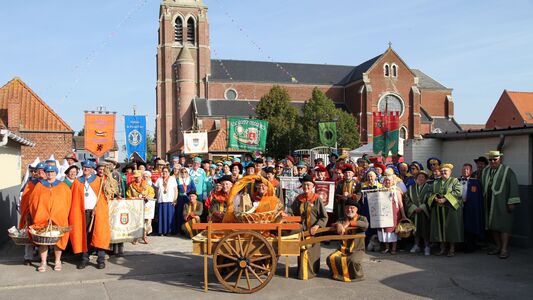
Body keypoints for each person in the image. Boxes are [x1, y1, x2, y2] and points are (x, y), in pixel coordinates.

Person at [29, 164, 72, 272]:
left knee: (58, 239)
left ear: (56, 173)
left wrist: (62, 213)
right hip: (42, 217)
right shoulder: (39, 186)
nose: (50, 174)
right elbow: (33, 202)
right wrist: (38, 213)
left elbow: (68, 202)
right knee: (43, 240)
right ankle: (43, 262)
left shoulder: (63, 186)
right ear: (45, 173)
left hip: (59, 217)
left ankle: (57, 261)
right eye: (48, 172)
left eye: (52, 172)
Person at [69, 160, 110, 269]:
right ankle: (84, 259)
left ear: (92, 169)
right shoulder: (78, 182)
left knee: (99, 234)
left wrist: (107, 178)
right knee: (84, 236)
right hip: (82, 212)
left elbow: (106, 195)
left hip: (97, 211)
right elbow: (72, 198)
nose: (85, 169)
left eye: (88, 167)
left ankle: (101, 259)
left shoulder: (99, 181)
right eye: (84, 167)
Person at [286, 174, 328, 280]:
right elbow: (292, 212)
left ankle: (314, 271)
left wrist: (317, 226)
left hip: (314, 232)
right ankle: (303, 273)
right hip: (302, 232)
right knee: (302, 253)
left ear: (312, 186)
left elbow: (324, 217)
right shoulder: (298, 199)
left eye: (308, 185)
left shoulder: (317, 199)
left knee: (313, 254)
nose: (306, 187)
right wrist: (287, 216)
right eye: (304, 185)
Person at [481, 150, 521, 259]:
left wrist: (511, 202)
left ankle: (504, 249)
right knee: (492, 225)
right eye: (490, 160)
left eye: (495, 159)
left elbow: (513, 186)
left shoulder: (507, 171)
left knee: (504, 226)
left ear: (500, 159)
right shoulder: (486, 171)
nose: (492, 161)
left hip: (502, 202)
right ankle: (498, 246)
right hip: (489, 202)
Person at [326, 199, 368, 282]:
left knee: (353, 261)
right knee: (330, 258)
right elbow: (334, 225)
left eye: (352, 208)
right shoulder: (342, 219)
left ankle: (357, 276)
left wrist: (350, 223)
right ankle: (339, 274)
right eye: (347, 208)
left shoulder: (362, 218)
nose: (349, 209)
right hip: (342, 249)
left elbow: (365, 225)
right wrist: (338, 224)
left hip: (357, 249)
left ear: (356, 209)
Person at [428, 163, 463, 257]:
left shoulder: (454, 181)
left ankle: (452, 249)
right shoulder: (436, 182)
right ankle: (442, 249)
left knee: (451, 228)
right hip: (438, 208)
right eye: (442, 171)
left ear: (450, 172)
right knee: (440, 229)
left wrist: (445, 199)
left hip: (450, 208)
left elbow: (458, 192)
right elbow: (430, 192)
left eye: (445, 171)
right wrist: (434, 198)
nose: (443, 172)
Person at [378, 173, 407, 255]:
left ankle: (393, 248)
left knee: (392, 230)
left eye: (389, 180)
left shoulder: (396, 190)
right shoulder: (381, 190)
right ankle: (387, 247)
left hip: (394, 213)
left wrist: (403, 215)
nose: (387, 181)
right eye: (386, 180)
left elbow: (401, 203)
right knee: (384, 230)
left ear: (393, 181)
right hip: (383, 212)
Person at [460, 163, 484, 253]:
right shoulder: (457, 180)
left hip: (471, 208)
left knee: (470, 226)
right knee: (461, 226)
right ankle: (461, 245)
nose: (465, 171)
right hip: (459, 207)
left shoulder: (476, 182)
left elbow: (478, 197)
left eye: (467, 169)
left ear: (470, 171)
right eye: (463, 169)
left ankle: (471, 246)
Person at [405, 171, 431, 256]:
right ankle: (416, 245)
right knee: (415, 230)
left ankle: (427, 246)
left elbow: (430, 199)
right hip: (414, 212)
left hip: (424, 213)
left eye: (423, 177)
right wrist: (414, 208)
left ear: (426, 179)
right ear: (416, 179)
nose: (421, 178)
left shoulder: (429, 188)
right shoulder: (411, 188)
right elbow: (407, 199)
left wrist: (422, 207)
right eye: (419, 177)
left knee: (425, 229)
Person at [126, 170, 155, 244]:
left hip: (146, 207)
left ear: (141, 177)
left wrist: (148, 196)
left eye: (138, 177)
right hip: (135, 206)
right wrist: (133, 198)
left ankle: (144, 236)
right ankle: (135, 238)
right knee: (136, 222)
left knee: (146, 222)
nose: (137, 178)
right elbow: (128, 195)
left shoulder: (146, 185)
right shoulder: (131, 186)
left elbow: (152, 193)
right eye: (135, 177)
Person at [155, 166, 178, 235]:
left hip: (170, 200)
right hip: (161, 200)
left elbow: (176, 190)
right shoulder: (159, 179)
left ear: (169, 172)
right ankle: (161, 231)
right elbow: (156, 190)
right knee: (161, 216)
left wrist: (175, 199)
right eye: (163, 171)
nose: (164, 173)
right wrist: (157, 198)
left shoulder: (172, 179)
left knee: (169, 216)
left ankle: (169, 231)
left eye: (166, 171)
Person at [177, 167, 196, 234]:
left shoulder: (190, 180)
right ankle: (179, 229)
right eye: (182, 172)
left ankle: (187, 230)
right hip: (180, 198)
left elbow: (193, 189)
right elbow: (176, 190)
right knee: (179, 213)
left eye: (185, 172)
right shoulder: (178, 179)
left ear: (187, 173)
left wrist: (191, 197)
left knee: (187, 213)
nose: (184, 173)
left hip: (188, 198)